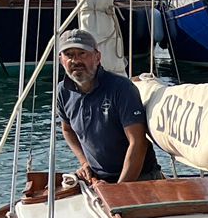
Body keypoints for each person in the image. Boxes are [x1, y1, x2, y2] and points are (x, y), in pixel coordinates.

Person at [56, 31, 161, 185]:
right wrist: (84, 163)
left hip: (139, 178)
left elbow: (138, 142)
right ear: (61, 60)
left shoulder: (121, 88)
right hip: (98, 179)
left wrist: (119, 190)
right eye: (69, 54)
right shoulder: (62, 91)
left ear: (97, 57)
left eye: (82, 53)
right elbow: (67, 129)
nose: (75, 60)